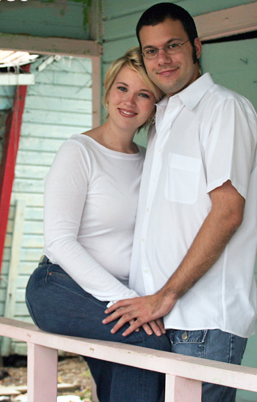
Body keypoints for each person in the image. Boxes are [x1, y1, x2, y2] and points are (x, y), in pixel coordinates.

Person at [103, 3, 257, 402]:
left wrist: (166, 295)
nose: (163, 59)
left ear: (196, 47)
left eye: (172, 45)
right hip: (157, 321)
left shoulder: (223, 109)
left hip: (202, 322)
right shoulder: (163, 118)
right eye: (151, 51)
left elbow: (228, 212)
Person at [25, 47, 170, 402]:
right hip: (60, 285)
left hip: (117, 293)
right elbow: (59, 241)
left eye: (143, 94)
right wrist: (127, 300)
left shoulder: (149, 162)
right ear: (107, 92)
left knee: (124, 369)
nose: (129, 101)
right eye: (122, 88)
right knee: (146, 339)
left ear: (154, 106)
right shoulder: (79, 152)